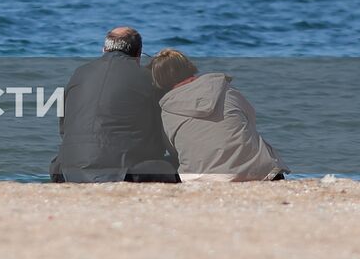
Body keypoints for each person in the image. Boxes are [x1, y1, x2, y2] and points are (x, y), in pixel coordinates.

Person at [50, 26, 178, 182]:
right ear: (138, 54)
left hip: (67, 171)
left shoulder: (79, 73)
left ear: (104, 49)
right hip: (123, 173)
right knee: (174, 164)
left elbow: (64, 129)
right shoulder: (149, 79)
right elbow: (163, 132)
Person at [149, 49, 286, 182]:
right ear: (188, 66)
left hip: (202, 178)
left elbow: (175, 152)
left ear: (160, 80)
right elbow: (251, 120)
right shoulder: (225, 89)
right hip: (256, 173)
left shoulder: (167, 111)